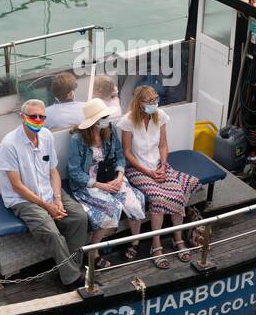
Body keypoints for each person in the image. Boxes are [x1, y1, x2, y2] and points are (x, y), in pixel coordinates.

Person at [0, 99, 89, 288]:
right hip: (23, 199)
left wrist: (57, 199)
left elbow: (53, 171)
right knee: (52, 232)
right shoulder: (10, 144)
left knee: (79, 217)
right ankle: (72, 277)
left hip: (49, 192)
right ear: (23, 117)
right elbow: (17, 186)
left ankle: (71, 268)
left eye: (42, 116)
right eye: (33, 116)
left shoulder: (46, 135)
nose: (38, 120)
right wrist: (47, 206)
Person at [119, 84, 199, 269]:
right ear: (139, 103)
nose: (154, 104)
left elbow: (163, 145)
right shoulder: (128, 121)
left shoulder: (160, 116)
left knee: (178, 192)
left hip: (158, 165)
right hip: (137, 170)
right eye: (150, 101)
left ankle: (177, 238)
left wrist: (163, 166)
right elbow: (128, 153)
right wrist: (148, 172)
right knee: (157, 197)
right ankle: (156, 245)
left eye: (156, 100)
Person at [67, 98, 146, 269]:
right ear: (94, 122)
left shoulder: (109, 131)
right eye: (103, 117)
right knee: (111, 209)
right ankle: (93, 251)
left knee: (133, 204)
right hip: (91, 182)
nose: (107, 120)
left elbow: (119, 156)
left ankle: (135, 242)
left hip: (111, 176)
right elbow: (74, 172)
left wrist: (119, 175)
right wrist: (100, 186)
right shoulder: (77, 140)